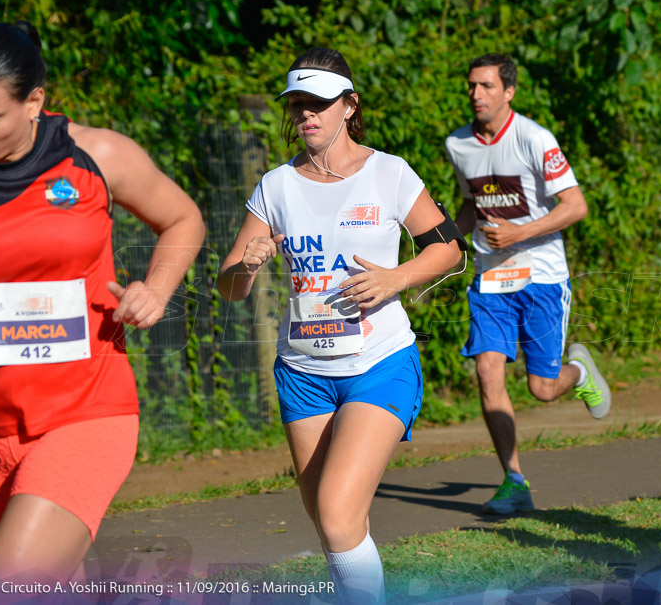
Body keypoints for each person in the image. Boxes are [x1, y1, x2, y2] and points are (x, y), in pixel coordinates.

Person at [218, 47, 462, 604]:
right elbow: (228, 286)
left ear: (349, 106)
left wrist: (397, 278)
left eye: (319, 103)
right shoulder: (275, 187)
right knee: (333, 523)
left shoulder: (389, 173)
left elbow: (449, 249)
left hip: (378, 363)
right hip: (302, 372)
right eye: (297, 104)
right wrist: (247, 266)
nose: (306, 114)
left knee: (335, 511)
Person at [0, 21, 204, 594]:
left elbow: (182, 218)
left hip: (84, 411)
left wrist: (156, 289)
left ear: (34, 102)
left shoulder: (94, 155)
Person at [444, 53, 611, 515]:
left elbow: (575, 206)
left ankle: (579, 372)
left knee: (542, 387)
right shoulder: (458, 145)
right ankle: (514, 480)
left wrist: (518, 232)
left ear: (509, 92)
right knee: (487, 369)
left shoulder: (534, 139)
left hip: (542, 275)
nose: (476, 94)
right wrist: (444, 244)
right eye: (471, 86)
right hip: (490, 276)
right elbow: (469, 206)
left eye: (486, 86)